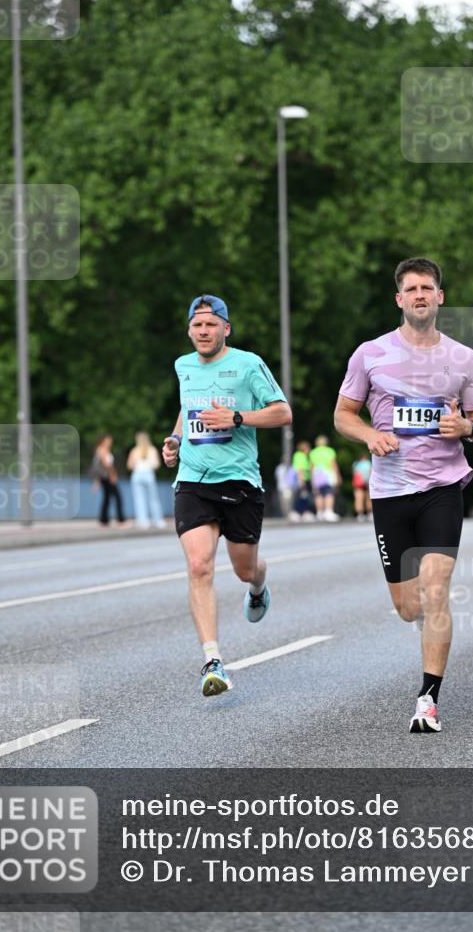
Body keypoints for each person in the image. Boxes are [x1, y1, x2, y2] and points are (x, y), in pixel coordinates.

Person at [334, 257, 473, 733]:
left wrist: (465, 426)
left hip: (442, 487)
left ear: (440, 297)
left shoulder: (463, 358)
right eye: (411, 288)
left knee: (436, 589)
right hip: (389, 492)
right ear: (399, 299)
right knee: (409, 607)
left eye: (428, 287)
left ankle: (428, 700)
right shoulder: (370, 354)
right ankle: (427, 631)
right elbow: (343, 415)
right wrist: (368, 437)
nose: (420, 294)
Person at [162, 295, 292, 697]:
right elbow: (188, 409)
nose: (204, 332)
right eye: (197, 325)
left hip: (239, 482)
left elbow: (282, 412)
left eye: (211, 325)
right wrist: (175, 439)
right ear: (189, 330)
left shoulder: (248, 364)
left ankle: (258, 586)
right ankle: (212, 660)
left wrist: (237, 418)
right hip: (193, 481)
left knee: (243, 570)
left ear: (225, 329)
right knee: (199, 566)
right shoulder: (183, 366)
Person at [127, 431, 167, 529]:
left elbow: (130, 465)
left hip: (137, 475)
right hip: (149, 474)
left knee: (139, 499)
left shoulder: (134, 450)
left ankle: (143, 521)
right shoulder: (152, 450)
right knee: (154, 498)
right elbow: (157, 464)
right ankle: (158, 521)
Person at [91, 434, 126, 526]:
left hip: (105, 477)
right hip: (107, 477)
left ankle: (104, 520)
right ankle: (121, 520)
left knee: (106, 498)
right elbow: (106, 465)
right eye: (108, 440)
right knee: (117, 497)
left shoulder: (103, 450)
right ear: (103, 441)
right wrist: (113, 475)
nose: (110, 442)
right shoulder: (102, 450)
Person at [310, 435, 341, 522]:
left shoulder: (313, 452)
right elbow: (333, 465)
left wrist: (312, 479)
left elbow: (311, 467)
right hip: (328, 474)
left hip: (317, 474)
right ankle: (328, 511)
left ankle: (320, 513)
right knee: (329, 493)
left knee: (318, 494)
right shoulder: (330, 451)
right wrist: (337, 476)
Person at [291, 440, 315, 521]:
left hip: (304, 479)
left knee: (303, 497)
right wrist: (301, 482)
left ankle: (302, 512)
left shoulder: (301, 456)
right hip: (302, 480)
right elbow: (299, 469)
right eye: (308, 448)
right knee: (301, 497)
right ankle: (298, 512)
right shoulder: (300, 456)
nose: (309, 450)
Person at [352, 451, 373, 522]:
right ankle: (370, 513)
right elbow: (371, 472)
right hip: (367, 482)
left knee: (358, 499)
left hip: (358, 484)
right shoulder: (368, 463)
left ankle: (360, 514)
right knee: (368, 499)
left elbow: (354, 474)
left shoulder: (355, 464)